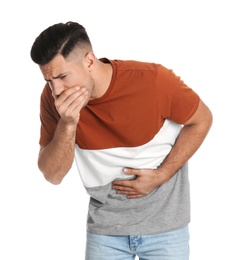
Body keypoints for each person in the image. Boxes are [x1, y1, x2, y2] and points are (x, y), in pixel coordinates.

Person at [30, 21, 212, 260]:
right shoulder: (53, 101)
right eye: (49, 81)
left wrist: (162, 174)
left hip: (166, 229)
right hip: (105, 232)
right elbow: (53, 175)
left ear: (89, 61)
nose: (56, 90)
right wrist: (68, 124)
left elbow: (202, 120)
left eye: (63, 76)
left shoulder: (154, 81)